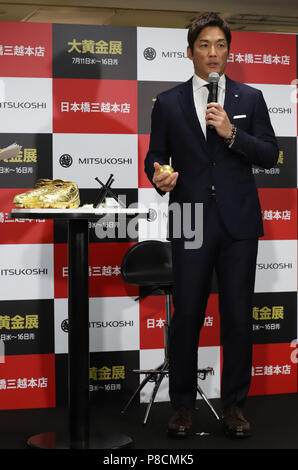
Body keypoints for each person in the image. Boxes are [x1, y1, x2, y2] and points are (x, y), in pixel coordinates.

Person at [144, 12, 278, 439]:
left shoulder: (250, 98)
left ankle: (235, 406)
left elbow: (270, 153)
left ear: (228, 51)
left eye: (220, 45)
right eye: (204, 45)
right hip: (189, 218)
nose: (213, 52)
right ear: (190, 52)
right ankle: (182, 405)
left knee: (238, 317)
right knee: (187, 317)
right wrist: (158, 176)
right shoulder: (167, 103)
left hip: (238, 222)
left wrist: (232, 134)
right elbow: (155, 158)